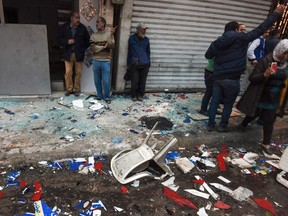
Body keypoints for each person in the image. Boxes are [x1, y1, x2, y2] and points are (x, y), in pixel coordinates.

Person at [204, 4, 284, 133]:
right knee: (228, 104)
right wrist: (276, 14)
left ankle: (210, 125)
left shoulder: (217, 42)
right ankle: (222, 126)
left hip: (218, 77)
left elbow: (208, 55)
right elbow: (260, 29)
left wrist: (218, 54)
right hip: (233, 78)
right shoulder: (242, 38)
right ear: (236, 30)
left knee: (214, 102)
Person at [236, 39, 288, 155]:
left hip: (275, 97)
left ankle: (266, 143)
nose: (286, 56)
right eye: (285, 53)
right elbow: (253, 77)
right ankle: (243, 124)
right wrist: (265, 74)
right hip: (261, 93)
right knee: (255, 113)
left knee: (269, 120)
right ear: (280, 50)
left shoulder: (285, 63)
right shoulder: (266, 60)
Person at [58, 11, 90, 96]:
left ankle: (76, 89)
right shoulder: (65, 27)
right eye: (76, 17)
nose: (78, 19)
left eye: (79, 18)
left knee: (78, 73)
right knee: (68, 72)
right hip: (68, 53)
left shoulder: (82, 28)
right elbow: (59, 39)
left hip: (79, 54)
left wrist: (81, 48)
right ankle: (69, 89)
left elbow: (88, 41)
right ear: (71, 18)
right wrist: (67, 42)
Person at [90, 17, 116, 104]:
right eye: (96, 22)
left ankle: (107, 97)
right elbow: (93, 49)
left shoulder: (109, 33)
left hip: (106, 60)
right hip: (96, 60)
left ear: (103, 24)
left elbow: (112, 45)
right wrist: (103, 47)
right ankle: (99, 96)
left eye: (98, 22)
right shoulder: (93, 35)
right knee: (97, 80)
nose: (96, 24)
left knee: (106, 80)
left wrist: (111, 35)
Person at [127, 23, 151, 101]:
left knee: (142, 81)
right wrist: (129, 64)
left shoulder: (147, 40)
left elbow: (148, 52)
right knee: (135, 81)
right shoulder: (132, 38)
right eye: (143, 29)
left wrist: (149, 62)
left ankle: (140, 94)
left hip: (145, 63)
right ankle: (133, 95)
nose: (144, 31)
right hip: (135, 63)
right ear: (138, 29)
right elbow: (129, 52)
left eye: (145, 29)